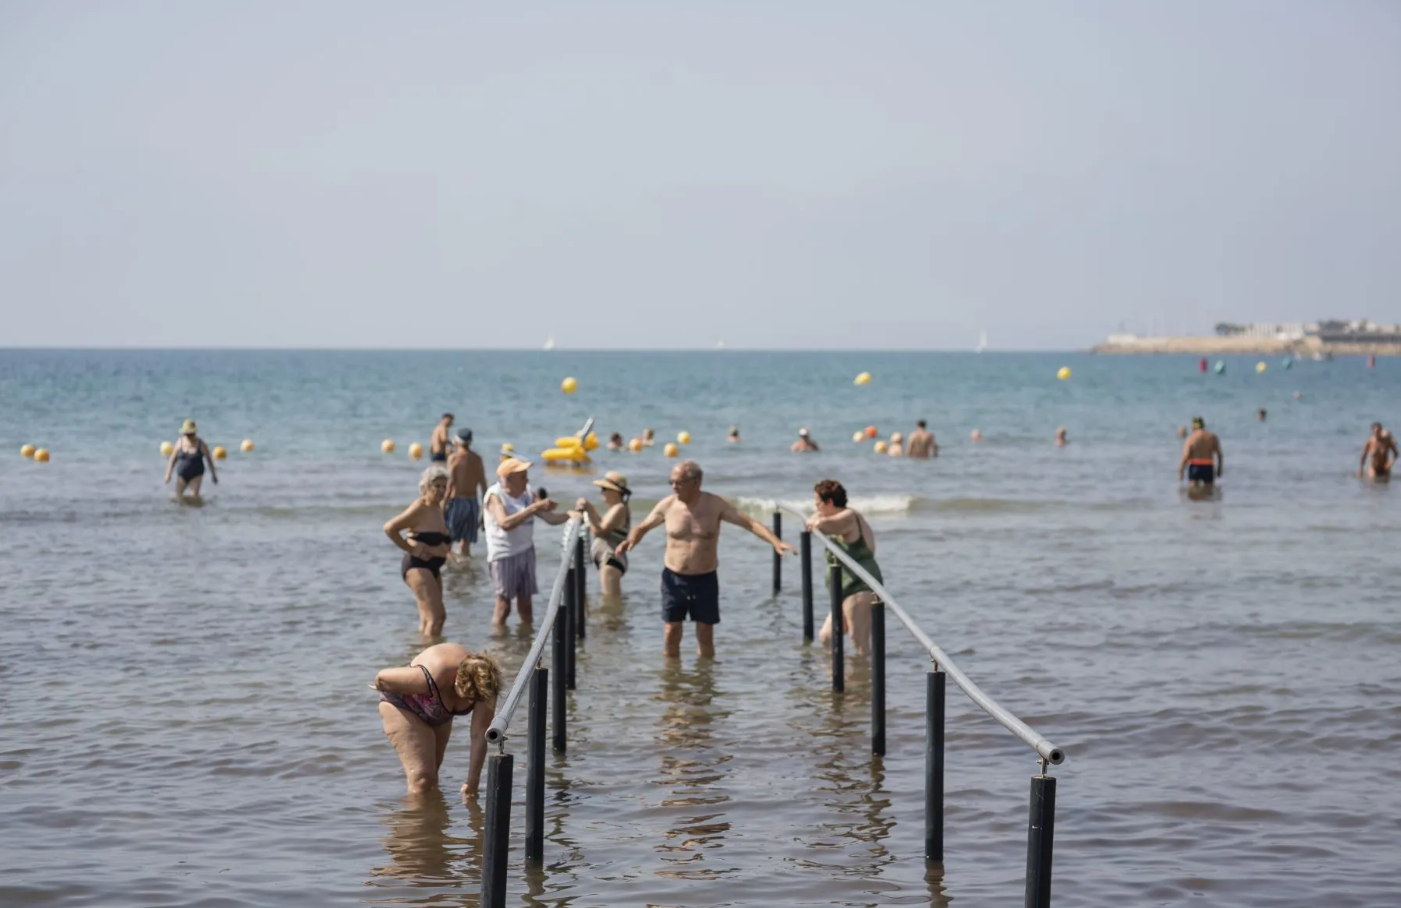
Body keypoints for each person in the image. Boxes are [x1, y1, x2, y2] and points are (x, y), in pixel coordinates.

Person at [616, 460, 794, 657]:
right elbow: (643, 527)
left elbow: (750, 523)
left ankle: (705, 681)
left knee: (704, 633)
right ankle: (671, 682)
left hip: (705, 578)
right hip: (674, 577)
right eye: (671, 482)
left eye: (679, 482)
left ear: (696, 482)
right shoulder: (667, 505)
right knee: (671, 631)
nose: (674, 486)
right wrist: (630, 540)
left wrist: (776, 542)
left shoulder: (715, 505)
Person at [373, 643, 500, 798]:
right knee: (422, 779)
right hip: (402, 705)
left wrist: (472, 782)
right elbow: (382, 677)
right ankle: (413, 821)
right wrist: (380, 685)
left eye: (474, 699)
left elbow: (479, 733)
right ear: (456, 681)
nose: (469, 701)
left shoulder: (487, 685)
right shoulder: (436, 672)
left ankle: (433, 819)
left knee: (432, 775)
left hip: (439, 712)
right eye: (466, 696)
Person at [483, 458, 569, 626]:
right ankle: (498, 645)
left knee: (526, 605)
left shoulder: (527, 493)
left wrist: (570, 515)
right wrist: (534, 508)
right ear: (508, 478)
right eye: (522, 476)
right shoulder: (495, 495)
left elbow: (549, 518)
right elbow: (505, 523)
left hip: (526, 551)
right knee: (504, 606)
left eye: (526, 476)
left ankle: (526, 642)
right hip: (504, 554)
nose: (527, 480)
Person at [804, 479, 882, 657]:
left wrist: (816, 520)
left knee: (859, 640)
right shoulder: (836, 516)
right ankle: (840, 678)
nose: (816, 509)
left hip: (860, 586)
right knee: (827, 637)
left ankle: (862, 681)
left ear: (829, 502)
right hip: (844, 589)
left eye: (818, 504)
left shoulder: (848, 517)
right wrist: (816, 517)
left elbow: (822, 526)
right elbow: (815, 520)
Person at [384, 467, 454, 637]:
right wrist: (411, 548)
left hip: (434, 568)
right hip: (417, 566)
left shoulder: (438, 508)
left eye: (444, 487)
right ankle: (428, 661)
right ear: (426, 487)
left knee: (429, 619)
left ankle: (418, 653)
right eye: (437, 486)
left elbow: (442, 539)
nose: (441, 491)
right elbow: (389, 528)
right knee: (436, 618)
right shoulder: (419, 508)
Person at [573, 471, 632, 597]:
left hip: (611, 560)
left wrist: (589, 508)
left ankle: (614, 617)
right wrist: (588, 511)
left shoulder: (620, 508)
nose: (601, 492)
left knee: (610, 601)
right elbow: (601, 524)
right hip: (609, 559)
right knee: (610, 600)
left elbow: (599, 531)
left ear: (615, 492)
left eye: (604, 489)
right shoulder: (616, 508)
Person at [444, 428, 487, 557]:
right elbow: (483, 485)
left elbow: (450, 484)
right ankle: (464, 570)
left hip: (456, 501)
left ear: (457, 441)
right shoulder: (477, 459)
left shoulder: (454, 458)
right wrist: (485, 511)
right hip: (472, 502)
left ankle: (451, 569)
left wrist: (442, 506)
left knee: (448, 540)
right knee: (465, 542)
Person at [163, 419, 217, 499]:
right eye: (187, 434)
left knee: (194, 498)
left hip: (196, 475)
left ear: (194, 433)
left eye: (191, 434)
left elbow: (209, 460)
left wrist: (213, 475)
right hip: (181, 475)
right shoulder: (180, 442)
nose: (189, 436)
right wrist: (168, 474)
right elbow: (172, 459)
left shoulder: (201, 444)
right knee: (178, 498)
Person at [1178, 417, 1223, 489]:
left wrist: (1181, 470)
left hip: (1195, 466)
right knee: (1209, 491)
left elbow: (1186, 455)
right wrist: (1219, 469)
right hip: (1208, 466)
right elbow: (1219, 454)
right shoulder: (1212, 437)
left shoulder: (1191, 438)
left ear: (1193, 426)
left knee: (1193, 492)